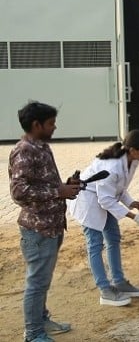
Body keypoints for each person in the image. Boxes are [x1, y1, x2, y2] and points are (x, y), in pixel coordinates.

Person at [8, 101, 81, 342]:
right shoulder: (24, 150)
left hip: (51, 226)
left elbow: (45, 183)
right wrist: (57, 193)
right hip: (37, 229)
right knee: (37, 282)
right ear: (36, 125)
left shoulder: (42, 147)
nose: (55, 127)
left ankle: (42, 320)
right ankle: (33, 332)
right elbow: (19, 192)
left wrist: (66, 186)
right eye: (50, 123)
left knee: (43, 280)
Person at [67, 130, 139, 307]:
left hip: (103, 199)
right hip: (89, 201)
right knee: (95, 244)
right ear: (133, 150)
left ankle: (118, 281)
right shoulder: (112, 167)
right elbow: (105, 199)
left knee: (113, 238)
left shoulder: (132, 161)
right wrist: (134, 216)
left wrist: (132, 202)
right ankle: (105, 290)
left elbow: (119, 188)